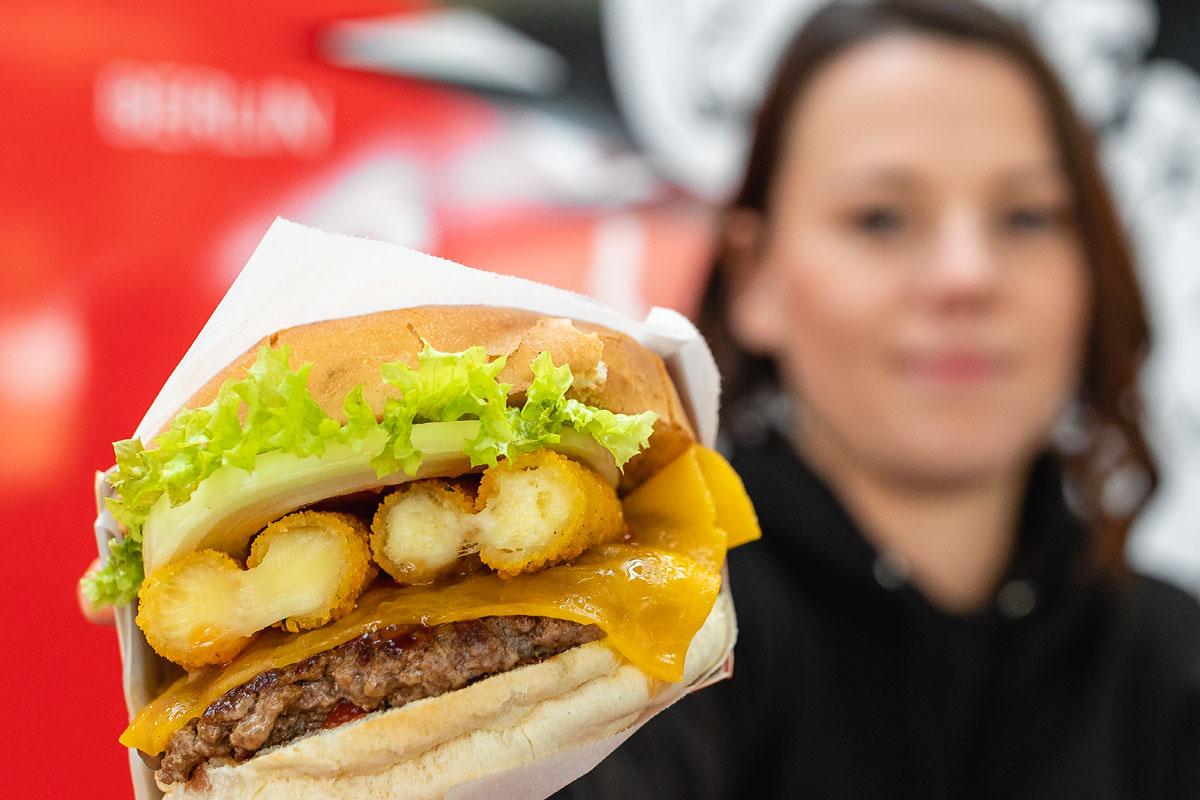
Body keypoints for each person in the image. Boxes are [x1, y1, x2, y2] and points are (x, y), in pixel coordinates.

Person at [552, 0, 1200, 798]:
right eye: (882, 218)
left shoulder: (1171, 660)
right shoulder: (648, 628)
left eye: (1028, 217)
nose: (968, 276)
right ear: (755, 275)